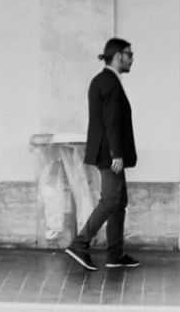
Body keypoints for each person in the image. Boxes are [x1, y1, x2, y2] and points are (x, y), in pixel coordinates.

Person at [63, 38, 139, 271]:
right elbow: (111, 121)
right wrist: (117, 153)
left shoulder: (103, 80)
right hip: (110, 153)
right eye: (129, 54)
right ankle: (80, 243)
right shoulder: (109, 82)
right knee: (111, 200)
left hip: (107, 151)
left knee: (119, 201)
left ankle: (115, 254)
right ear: (118, 56)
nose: (132, 58)